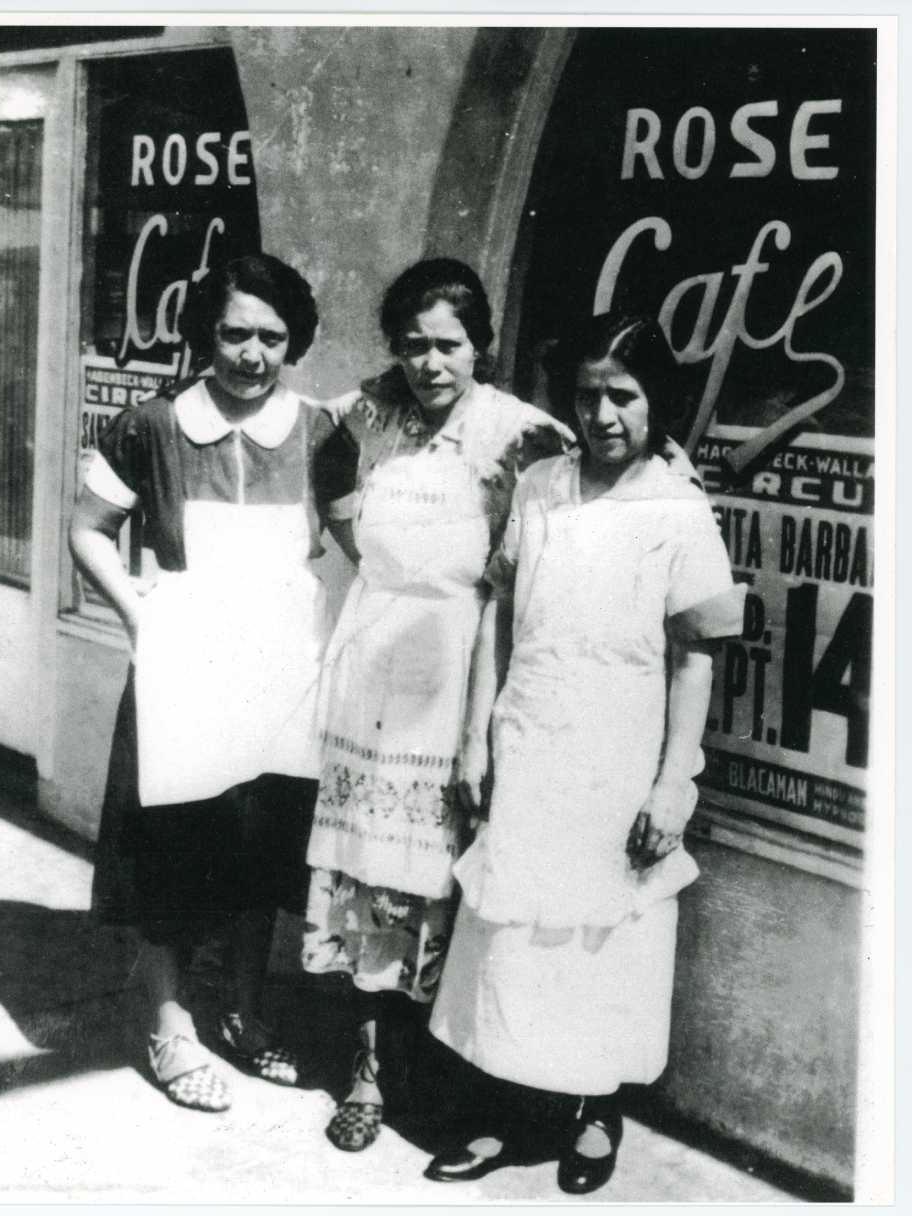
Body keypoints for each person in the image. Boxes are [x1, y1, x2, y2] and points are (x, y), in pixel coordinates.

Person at [424, 312, 745, 1193]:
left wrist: (675, 781)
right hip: (530, 744)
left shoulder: (679, 509)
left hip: (619, 756)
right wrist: (474, 738)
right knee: (515, 938)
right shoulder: (538, 487)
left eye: (624, 395)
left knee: (603, 939)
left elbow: (697, 655)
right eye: (587, 394)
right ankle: (499, 1110)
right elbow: (498, 612)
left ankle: (598, 1110)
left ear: (656, 401)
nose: (602, 414)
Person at [302, 258, 576, 1151]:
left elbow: (607, 478)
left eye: (449, 345)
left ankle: (449, 1074)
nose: (430, 363)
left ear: (480, 345)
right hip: (371, 666)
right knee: (367, 880)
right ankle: (371, 1074)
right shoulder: (363, 414)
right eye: (413, 345)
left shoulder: (525, 434)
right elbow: (330, 490)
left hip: (466, 668)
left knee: (449, 876)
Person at [70, 253, 338, 1113]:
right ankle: (169, 1027)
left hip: (281, 673)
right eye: (234, 333)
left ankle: (248, 1017)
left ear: (293, 339)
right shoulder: (151, 425)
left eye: (271, 336)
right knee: (173, 854)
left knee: (261, 851)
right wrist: (138, 614)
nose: (252, 354)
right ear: (203, 333)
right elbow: (87, 532)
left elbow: (363, 535)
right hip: (186, 668)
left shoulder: (323, 432)